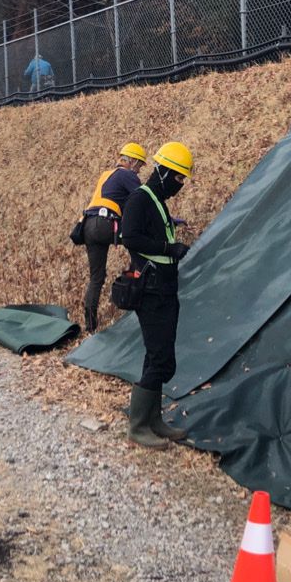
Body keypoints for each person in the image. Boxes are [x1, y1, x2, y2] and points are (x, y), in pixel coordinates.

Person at [116, 141, 195, 449]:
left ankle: (154, 420)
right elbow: (130, 236)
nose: (180, 185)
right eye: (177, 178)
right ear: (162, 173)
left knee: (158, 355)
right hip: (150, 291)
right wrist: (168, 249)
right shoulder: (140, 199)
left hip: (165, 288)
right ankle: (138, 426)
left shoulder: (158, 202)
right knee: (160, 358)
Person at [72, 141, 148, 333]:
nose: (138, 170)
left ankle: (90, 326)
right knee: (138, 240)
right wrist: (169, 219)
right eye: (139, 164)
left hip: (88, 225)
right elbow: (143, 200)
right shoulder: (127, 174)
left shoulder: (106, 175)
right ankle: (138, 281)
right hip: (105, 224)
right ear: (130, 161)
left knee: (96, 277)